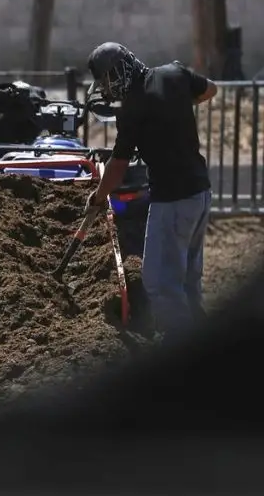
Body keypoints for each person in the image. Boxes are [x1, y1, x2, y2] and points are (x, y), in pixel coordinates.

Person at [85, 42, 217, 339]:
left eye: (105, 81)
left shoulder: (132, 106)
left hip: (172, 200)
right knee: (187, 280)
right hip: (200, 193)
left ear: (118, 73)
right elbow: (211, 90)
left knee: (159, 281)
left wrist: (97, 197)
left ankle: (182, 354)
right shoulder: (175, 73)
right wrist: (176, 104)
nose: (105, 90)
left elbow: (117, 165)